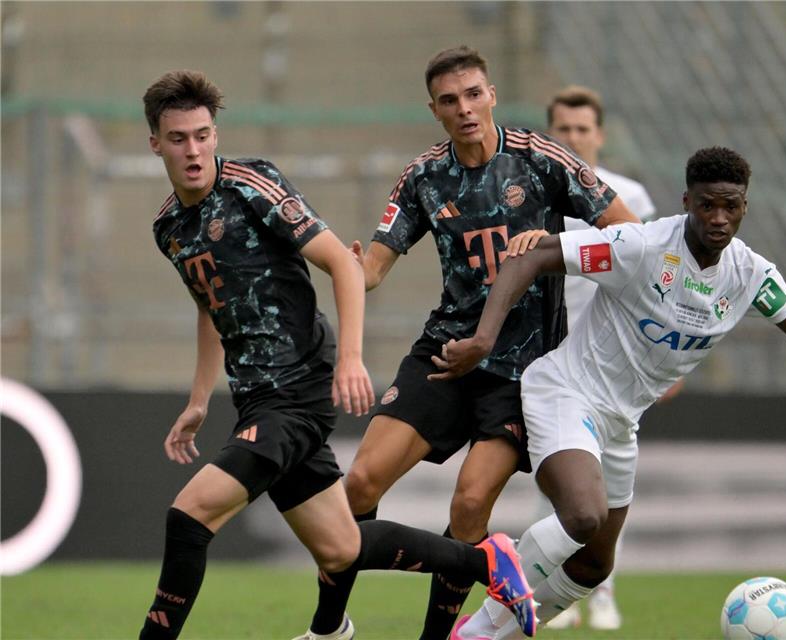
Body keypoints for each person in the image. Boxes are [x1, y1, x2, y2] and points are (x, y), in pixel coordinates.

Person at [431, 146, 786, 640]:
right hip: (568, 393)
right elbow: (533, 256)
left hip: (622, 422)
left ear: (745, 206)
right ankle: (477, 629)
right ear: (687, 202)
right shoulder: (640, 246)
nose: (718, 218)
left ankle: (488, 633)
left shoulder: (749, 275)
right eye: (707, 205)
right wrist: (484, 338)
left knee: (594, 565)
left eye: (730, 206)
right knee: (583, 515)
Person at [137, 69, 537, 640]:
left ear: (215, 135)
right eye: (178, 139)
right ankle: (485, 561)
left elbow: (344, 265)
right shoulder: (168, 226)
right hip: (256, 399)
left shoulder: (252, 185)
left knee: (189, 514)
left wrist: (351, 359)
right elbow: (209, 305)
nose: (193, 150)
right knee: (342, 546)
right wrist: (199, 399)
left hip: (297, 390)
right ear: (156, 143)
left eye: (202, 135)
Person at [307, 46, 641, 640]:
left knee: (468, 505)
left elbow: (630, 235)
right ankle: (330, 628)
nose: (463, 108)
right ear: (434, 110)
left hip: (525, 371)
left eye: (472, 95)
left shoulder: (542, 160)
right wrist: (341, 262)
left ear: (491, 96)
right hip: (447, 354)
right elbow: (373, 269)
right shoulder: (424, 176)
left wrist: (555, 248)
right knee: (358, 484)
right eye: (449, 100)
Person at [544, 85, 662, 631]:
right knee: (560, 479)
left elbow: (657, 279)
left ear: (600, 135)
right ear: (550, 134)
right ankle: (563, 591)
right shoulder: (538, 193)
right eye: (563, 129)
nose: (573, 138)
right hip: (553, 357)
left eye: (582, 129)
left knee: (611, 486)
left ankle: (601, 589)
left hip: (617, 365)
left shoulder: (630, 197)